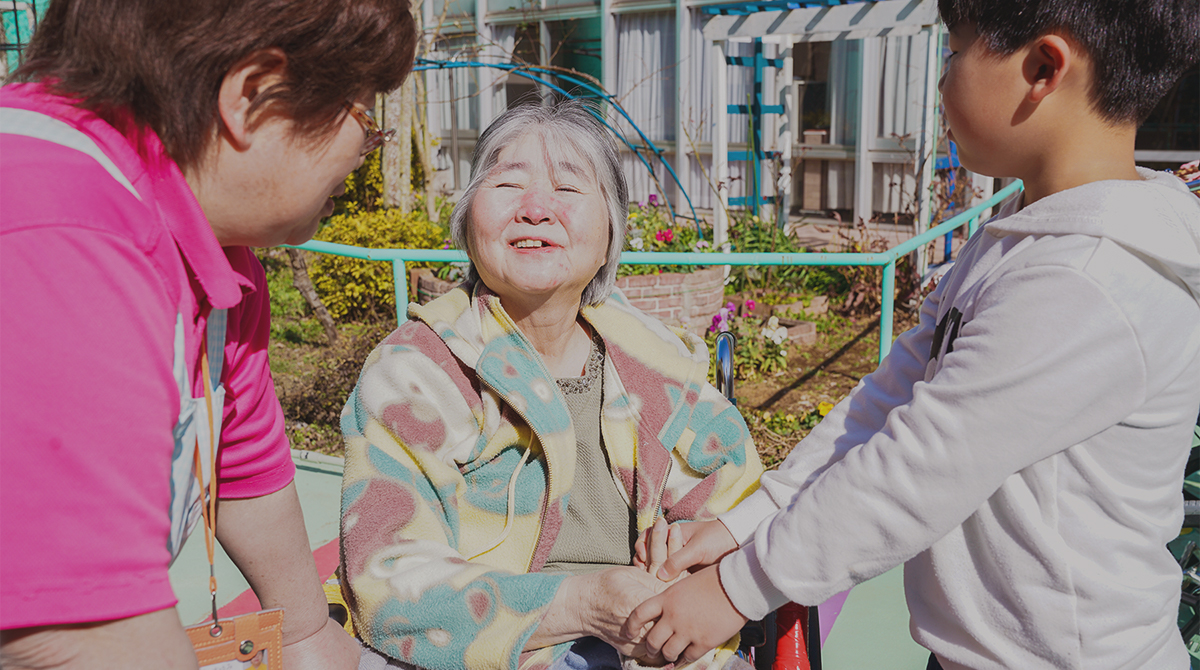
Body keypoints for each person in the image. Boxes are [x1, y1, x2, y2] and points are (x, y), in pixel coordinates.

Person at [622, 1, 1200, 668]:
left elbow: (918, 470)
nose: (942, 80)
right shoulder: (1020, 233)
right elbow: (888, 400)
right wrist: (747, 522)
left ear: (1043, 66)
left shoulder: (1089, 280)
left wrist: (736, 588)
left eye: (954, 52)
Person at [0, 1, 417, 668]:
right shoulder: (58, 230)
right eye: (365, 119)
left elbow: (243, 461)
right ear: (254, 96)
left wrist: (308, 633)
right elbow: (79, 638)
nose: (366, 153)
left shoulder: (216, 254)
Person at [339, 100, 764, 670]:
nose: (536, 209)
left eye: (568, 190)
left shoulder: (657, 363)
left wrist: (687, 555)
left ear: (611, 227)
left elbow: (744, 512)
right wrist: (585, 605)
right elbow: (388, 584)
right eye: (509, 183)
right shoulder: (416, 372)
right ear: (467, 220)